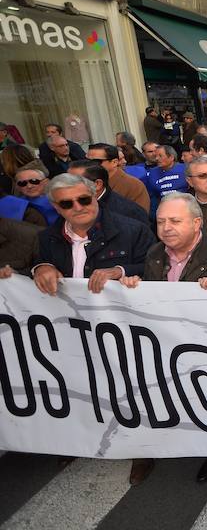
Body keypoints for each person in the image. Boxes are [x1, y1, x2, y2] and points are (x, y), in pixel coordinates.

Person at [119, 192, 207, 484]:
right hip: (168, 346)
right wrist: (134, 285)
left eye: (175, 221)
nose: (166, 227)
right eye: (161, 221)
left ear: (196, 223)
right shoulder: (155, 254)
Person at [31, 173, 155, 484]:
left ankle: (143, 449)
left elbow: (155, 266)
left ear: (94, 194)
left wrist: (121, 270)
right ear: (57, 208)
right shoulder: (47, 238)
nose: (78, 207)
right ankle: (82, 440)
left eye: (83, 199)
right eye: (67, 203)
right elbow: (30, 266)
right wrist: (40, 267)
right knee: (80, 385)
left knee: (130, 387)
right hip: (72, 330)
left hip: (122, 330)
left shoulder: (131, 229)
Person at [67, 160, 149, 227]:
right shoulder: (65, 206)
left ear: (97, 185)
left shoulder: (127, 213)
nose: (65, 186)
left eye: (73, 182)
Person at [87, 143, 151, 213]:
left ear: (114, 162)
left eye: (95, 162)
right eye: (86, 161)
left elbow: (140, 218)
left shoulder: (133, 185)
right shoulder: (84, 183)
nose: (88, 165)